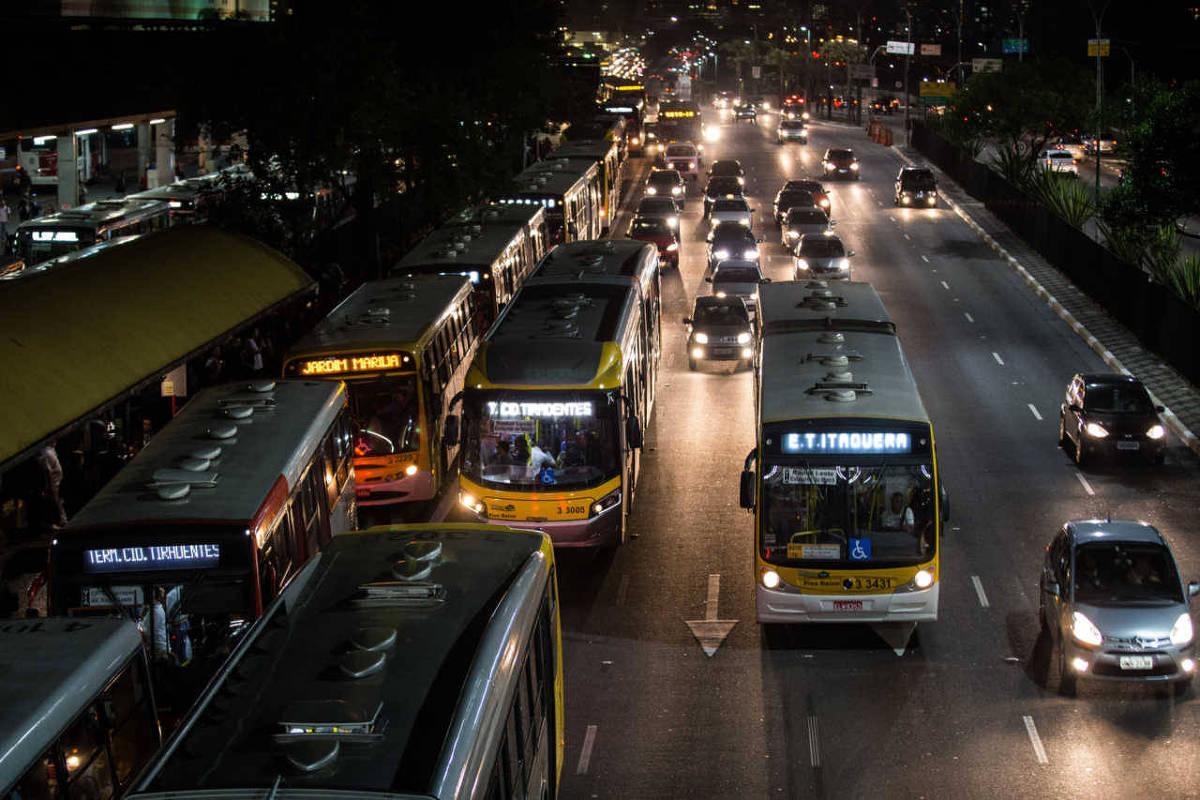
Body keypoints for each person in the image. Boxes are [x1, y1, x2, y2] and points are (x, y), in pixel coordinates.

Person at [35, 442, 67, 529]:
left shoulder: (44, 453)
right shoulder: (50, 450)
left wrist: (47, 487)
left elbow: (47, 471)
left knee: (55, 501)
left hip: (54, 480)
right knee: (59, 501)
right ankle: (63, 520)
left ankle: (60, 521)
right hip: (58, 478)